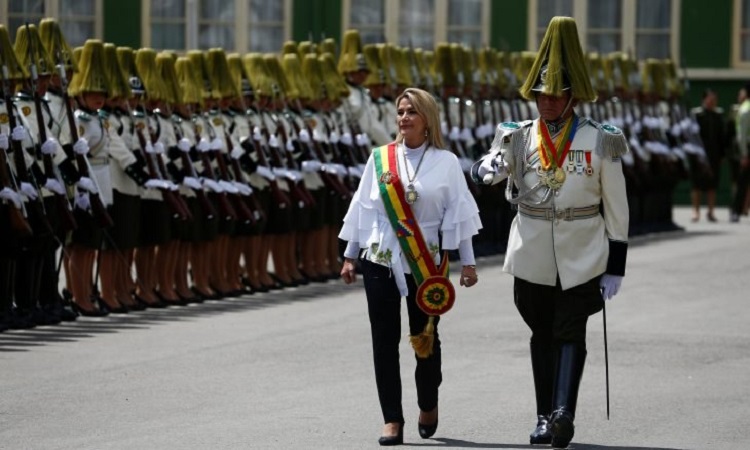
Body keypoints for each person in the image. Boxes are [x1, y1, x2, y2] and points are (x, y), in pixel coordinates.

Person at [472, 16, 629, 448]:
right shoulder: (518, 137)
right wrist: (487, 167)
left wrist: (616, 264)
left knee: (569, 329)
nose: (546, 102)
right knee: (541, 330)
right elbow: (487, 169)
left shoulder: (600, 139)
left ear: (572, 97)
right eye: (540, 95)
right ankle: (544, 415)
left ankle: (563, 414)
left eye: (555, 95)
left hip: (583, 251)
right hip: (533, 251)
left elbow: (617, 207)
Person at [339, 87, 482, 446]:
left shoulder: (446, 162)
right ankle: (392, 418)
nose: (404, 118)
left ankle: (428, 402)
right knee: (384, 341)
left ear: (427, 119)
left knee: (425, 338)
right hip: (381, 259)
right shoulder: (380, 158)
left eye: (412, 112)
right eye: (401, 111)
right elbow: (363, 208)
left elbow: (460, 214)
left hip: (425, 261)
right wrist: (350, 256)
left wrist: (468, 263)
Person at [691, 89, 727, 222]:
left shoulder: (718, 115)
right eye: (710, 99)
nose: (712, 102)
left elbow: (721, 137)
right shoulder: (696, 115)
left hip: (714, 154)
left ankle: (711, 212)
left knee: (712, 184)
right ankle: (696, 211)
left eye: (714, 99)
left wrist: (722, 154)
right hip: (699, 154)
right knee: (697, 184)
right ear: (704, 100)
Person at [731, 83, 750, 223]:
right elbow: (742, 135)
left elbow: (742, 135)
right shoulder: (745, 109)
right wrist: (744, 154)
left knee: (742, 182)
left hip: (746, 148)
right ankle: (735, 211)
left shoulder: (745, 109)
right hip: (747, 148)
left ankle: (736, 211)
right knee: (743, 181)